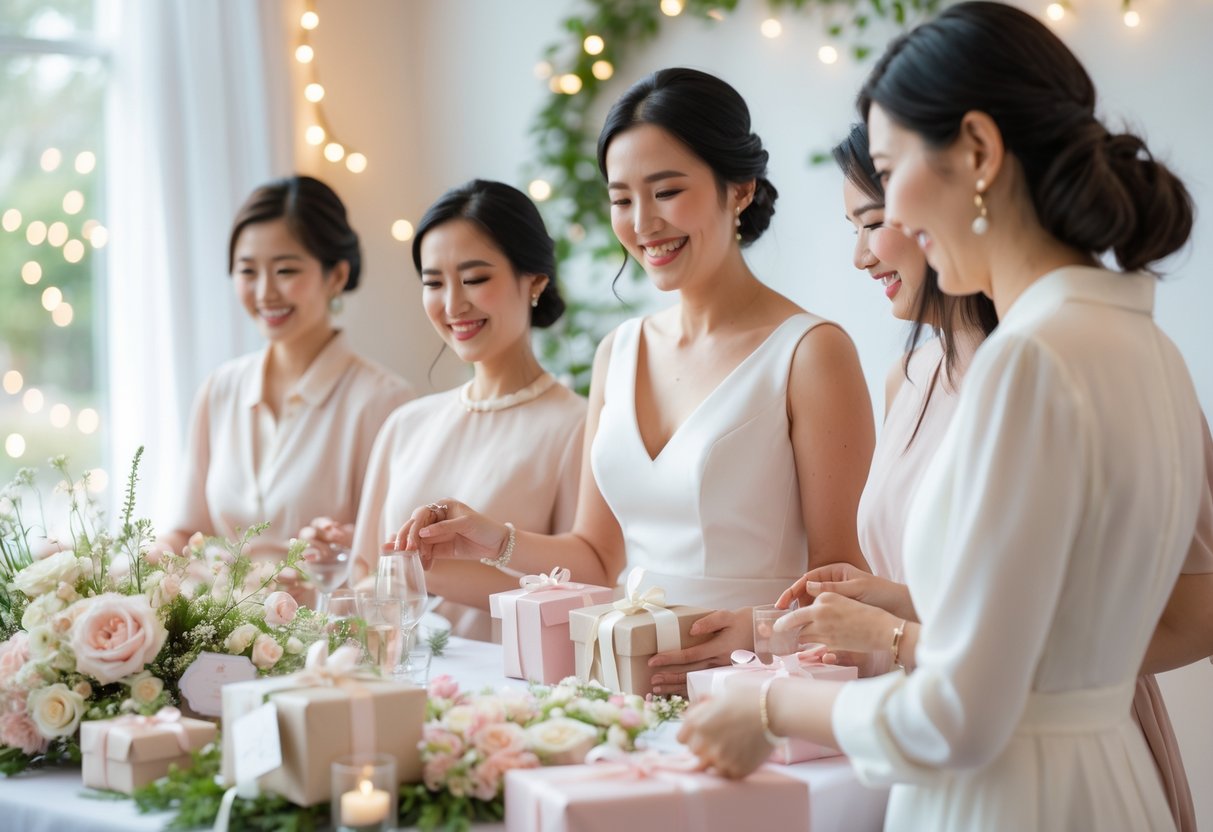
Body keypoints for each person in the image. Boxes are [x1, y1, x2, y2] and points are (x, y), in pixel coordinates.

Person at [677, 5, 1211, 830]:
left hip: (1008, 799)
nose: (892, 224)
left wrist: (766, 705)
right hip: (1113, 785)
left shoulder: (1028, 362)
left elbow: (955, 715)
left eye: (888, 176)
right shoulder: (1147, 347)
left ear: (977, 152)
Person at [777, 122, 1211, 832]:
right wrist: (898, 603)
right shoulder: (906, 377)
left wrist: (897, 639)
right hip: (919, 734)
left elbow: (1191, 617)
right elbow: (989, 598)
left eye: (872, 220)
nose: (859, 255)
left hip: (1040, 752)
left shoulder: (1052, 361)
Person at [396, 68, 875, 693]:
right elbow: (597, 558)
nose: (643, 222)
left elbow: (841, 585)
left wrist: (757, 634)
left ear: (739, 189)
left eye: (667, 190)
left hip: (755, 694)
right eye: (622, 199)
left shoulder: (811, 353)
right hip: (620, 686)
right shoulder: (617, 352)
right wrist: (492, 537)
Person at [350, 179, 585, 641]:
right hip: (405, 679)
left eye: (475, 279)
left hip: (518, 692)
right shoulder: (406, 425)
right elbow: (363, 572)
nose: (453, 304)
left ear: (535, 280)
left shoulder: (578, 425)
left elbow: (583, 590)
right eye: (434, 283)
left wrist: (420, 575)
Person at [162, 176, 414, 583]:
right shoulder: (220, 389)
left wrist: (348, 550)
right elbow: (186, 531)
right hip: (218, 636)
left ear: (336, 276)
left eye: (285, 270)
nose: (265, 292)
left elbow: (395, 562)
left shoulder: (383, 403)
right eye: (247, 271)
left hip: (328, 639)